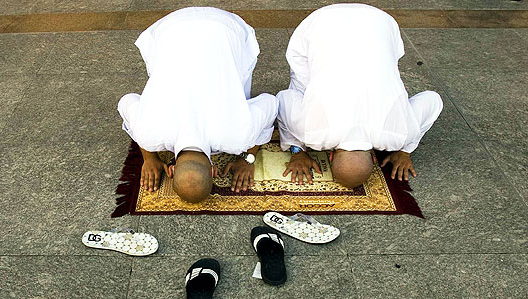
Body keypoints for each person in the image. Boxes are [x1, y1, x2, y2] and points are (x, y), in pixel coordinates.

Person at [118, 7, 278, 202]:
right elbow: (127, 101)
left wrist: (248, 158)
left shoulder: (237, 138)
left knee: (235, 75)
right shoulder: (148, 134)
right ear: (171, 170)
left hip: (226, 28)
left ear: (214, 171)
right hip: (171, 28)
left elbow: (271, 103)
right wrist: (149, 157)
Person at [277, 4, 443, 188]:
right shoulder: (312, 134)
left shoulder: (400, 136)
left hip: (379, 22)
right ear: (330, 156)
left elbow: (433, 100)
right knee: (302, 91)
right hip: (323, 22)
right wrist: (298, 150)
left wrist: (405, 150)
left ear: (373, 156)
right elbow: (284, 99)